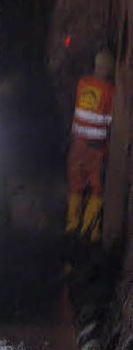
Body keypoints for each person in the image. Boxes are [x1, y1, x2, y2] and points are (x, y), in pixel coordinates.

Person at [65, 49, 115, 243]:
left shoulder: (82, 84)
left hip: (78, 146)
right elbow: (112, 122)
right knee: (97, 190)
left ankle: (71, 227)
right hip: (96, 149)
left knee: (76, 186)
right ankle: (89, 232)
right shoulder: (111, 91)